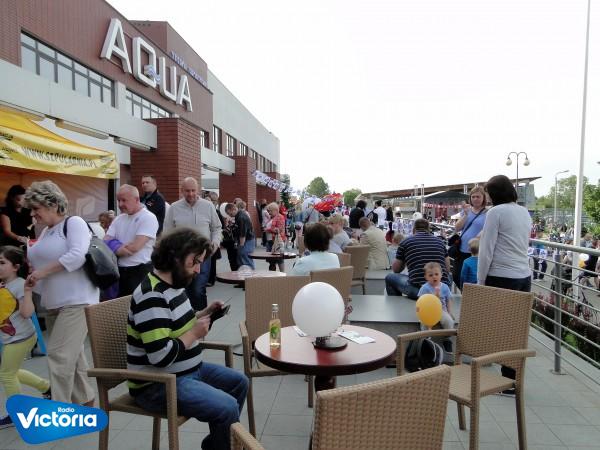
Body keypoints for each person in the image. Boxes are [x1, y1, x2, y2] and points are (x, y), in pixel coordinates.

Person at [127, 228, 248, 450]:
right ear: (176, 257)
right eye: (195, 262)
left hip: (184, 373)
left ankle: (216, 445)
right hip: (156, 386)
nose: (198, 269)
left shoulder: (173, 285)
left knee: (239, 383)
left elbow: (178, 322)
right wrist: (194, 334)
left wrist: (205, 313)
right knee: (227, 407)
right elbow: (159, 357)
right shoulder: (152, 296)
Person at [25, 180, 97, 405]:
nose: (33, 214)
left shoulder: (74, 223)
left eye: (36, 208)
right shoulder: (47, 231)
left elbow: (77, 256)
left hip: (77, 301)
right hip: (54, 303)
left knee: (59, 356)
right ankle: (87, 406)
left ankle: (59, 411)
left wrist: (41, 272)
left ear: (53, 204)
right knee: (73, 361)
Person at [477, 175, 532, 393]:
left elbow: (486, 249)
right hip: (523, 276)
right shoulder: (524, 212)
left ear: (495, 193)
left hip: (500, 276)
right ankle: (514, 378)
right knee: (516, 330)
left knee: (500, 329)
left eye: (489, 193)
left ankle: (507, 381)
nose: (488, 198)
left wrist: (481, 281)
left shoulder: (495, 213)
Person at [0, 246, 51, 428]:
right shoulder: (4, 284)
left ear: (15, 267)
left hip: (20, 338)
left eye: (2, 262)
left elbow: (27, 312)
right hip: (11, 337)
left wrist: (28, 292)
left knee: (7, 374)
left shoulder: (20, 285)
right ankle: (46, 387)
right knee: (11, 371)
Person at [164, 178, 222, 311]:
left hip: (203, 256)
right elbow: (167, 232)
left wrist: (214, 244)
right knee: (182, 289)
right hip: (182, 257)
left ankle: (203, 318)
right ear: (181, 191)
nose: (190, 194)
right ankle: (185, 318)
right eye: (187, 191)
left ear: (198, 190)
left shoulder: (208, 206)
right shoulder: (174, 208)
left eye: (193, 190)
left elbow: (217, 228)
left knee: (198, 289)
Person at [105, 185, 158, 297]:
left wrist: (114, 246)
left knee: (139, 306)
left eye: (124, 200)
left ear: (137, 199)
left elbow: (134, 248)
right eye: (118, 200)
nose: (120, 204)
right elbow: (105, 242)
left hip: (140, 272)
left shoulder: (148, 218)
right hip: (119, 272)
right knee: (120, 307)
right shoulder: (119, 219)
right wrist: (120, 248)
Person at [385, 219, 451, 299]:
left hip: (419, 291)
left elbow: (396, 270)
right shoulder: (440, 242)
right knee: (448, 276)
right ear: (428, 229)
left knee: (390, 278)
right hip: (442, 290)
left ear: (413, 229)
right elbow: (447, 269)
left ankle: (397, 305)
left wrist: (406, 259)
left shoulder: (405, 242)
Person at [452, 186, 487, 289]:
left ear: (483, 198)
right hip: (462, 248)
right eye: (473, 197)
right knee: (456, 275)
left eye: (478, 197)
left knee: (473, 278)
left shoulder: (488, 213)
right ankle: (466, 293)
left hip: (477, 250)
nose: (475, 199)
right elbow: (457, 228)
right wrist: (466, 215)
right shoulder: (466, 210)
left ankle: (470, 294)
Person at [417, 262, 454, 331]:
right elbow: (420, 301)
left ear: (441, 274)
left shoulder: (445, 287)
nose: (434, 276)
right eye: (430, 275)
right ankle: (426, 336)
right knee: (424, 323)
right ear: (426, 277)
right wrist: (419, 313)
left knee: (449, 321)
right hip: (428, 311)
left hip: (441, 310)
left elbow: (448, 300)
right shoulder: (424, 288)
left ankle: (448, 335)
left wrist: (449, 312)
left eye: (436, 274)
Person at [225, 202, 255, 269]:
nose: (230, 215)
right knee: (242, 259)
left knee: (246, 259)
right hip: (246, 240)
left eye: (229, 213)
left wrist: (241, 246)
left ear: (233, 209)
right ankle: (244, 274)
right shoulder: (239, 215)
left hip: (247, 240)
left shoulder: (241, 217)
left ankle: (251, 274)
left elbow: (242, 234)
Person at [264, 202, 287, 271]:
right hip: (270, 241)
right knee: (271, 260)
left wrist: (268, 230)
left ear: (275, 210)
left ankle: (282, 274)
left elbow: (279, 230)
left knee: (279, 259)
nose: (269, 213)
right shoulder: (272, 217)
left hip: (277, 241)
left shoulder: (280, 217)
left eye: (270, 211)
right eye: (268, 211)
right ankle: (273, 275)